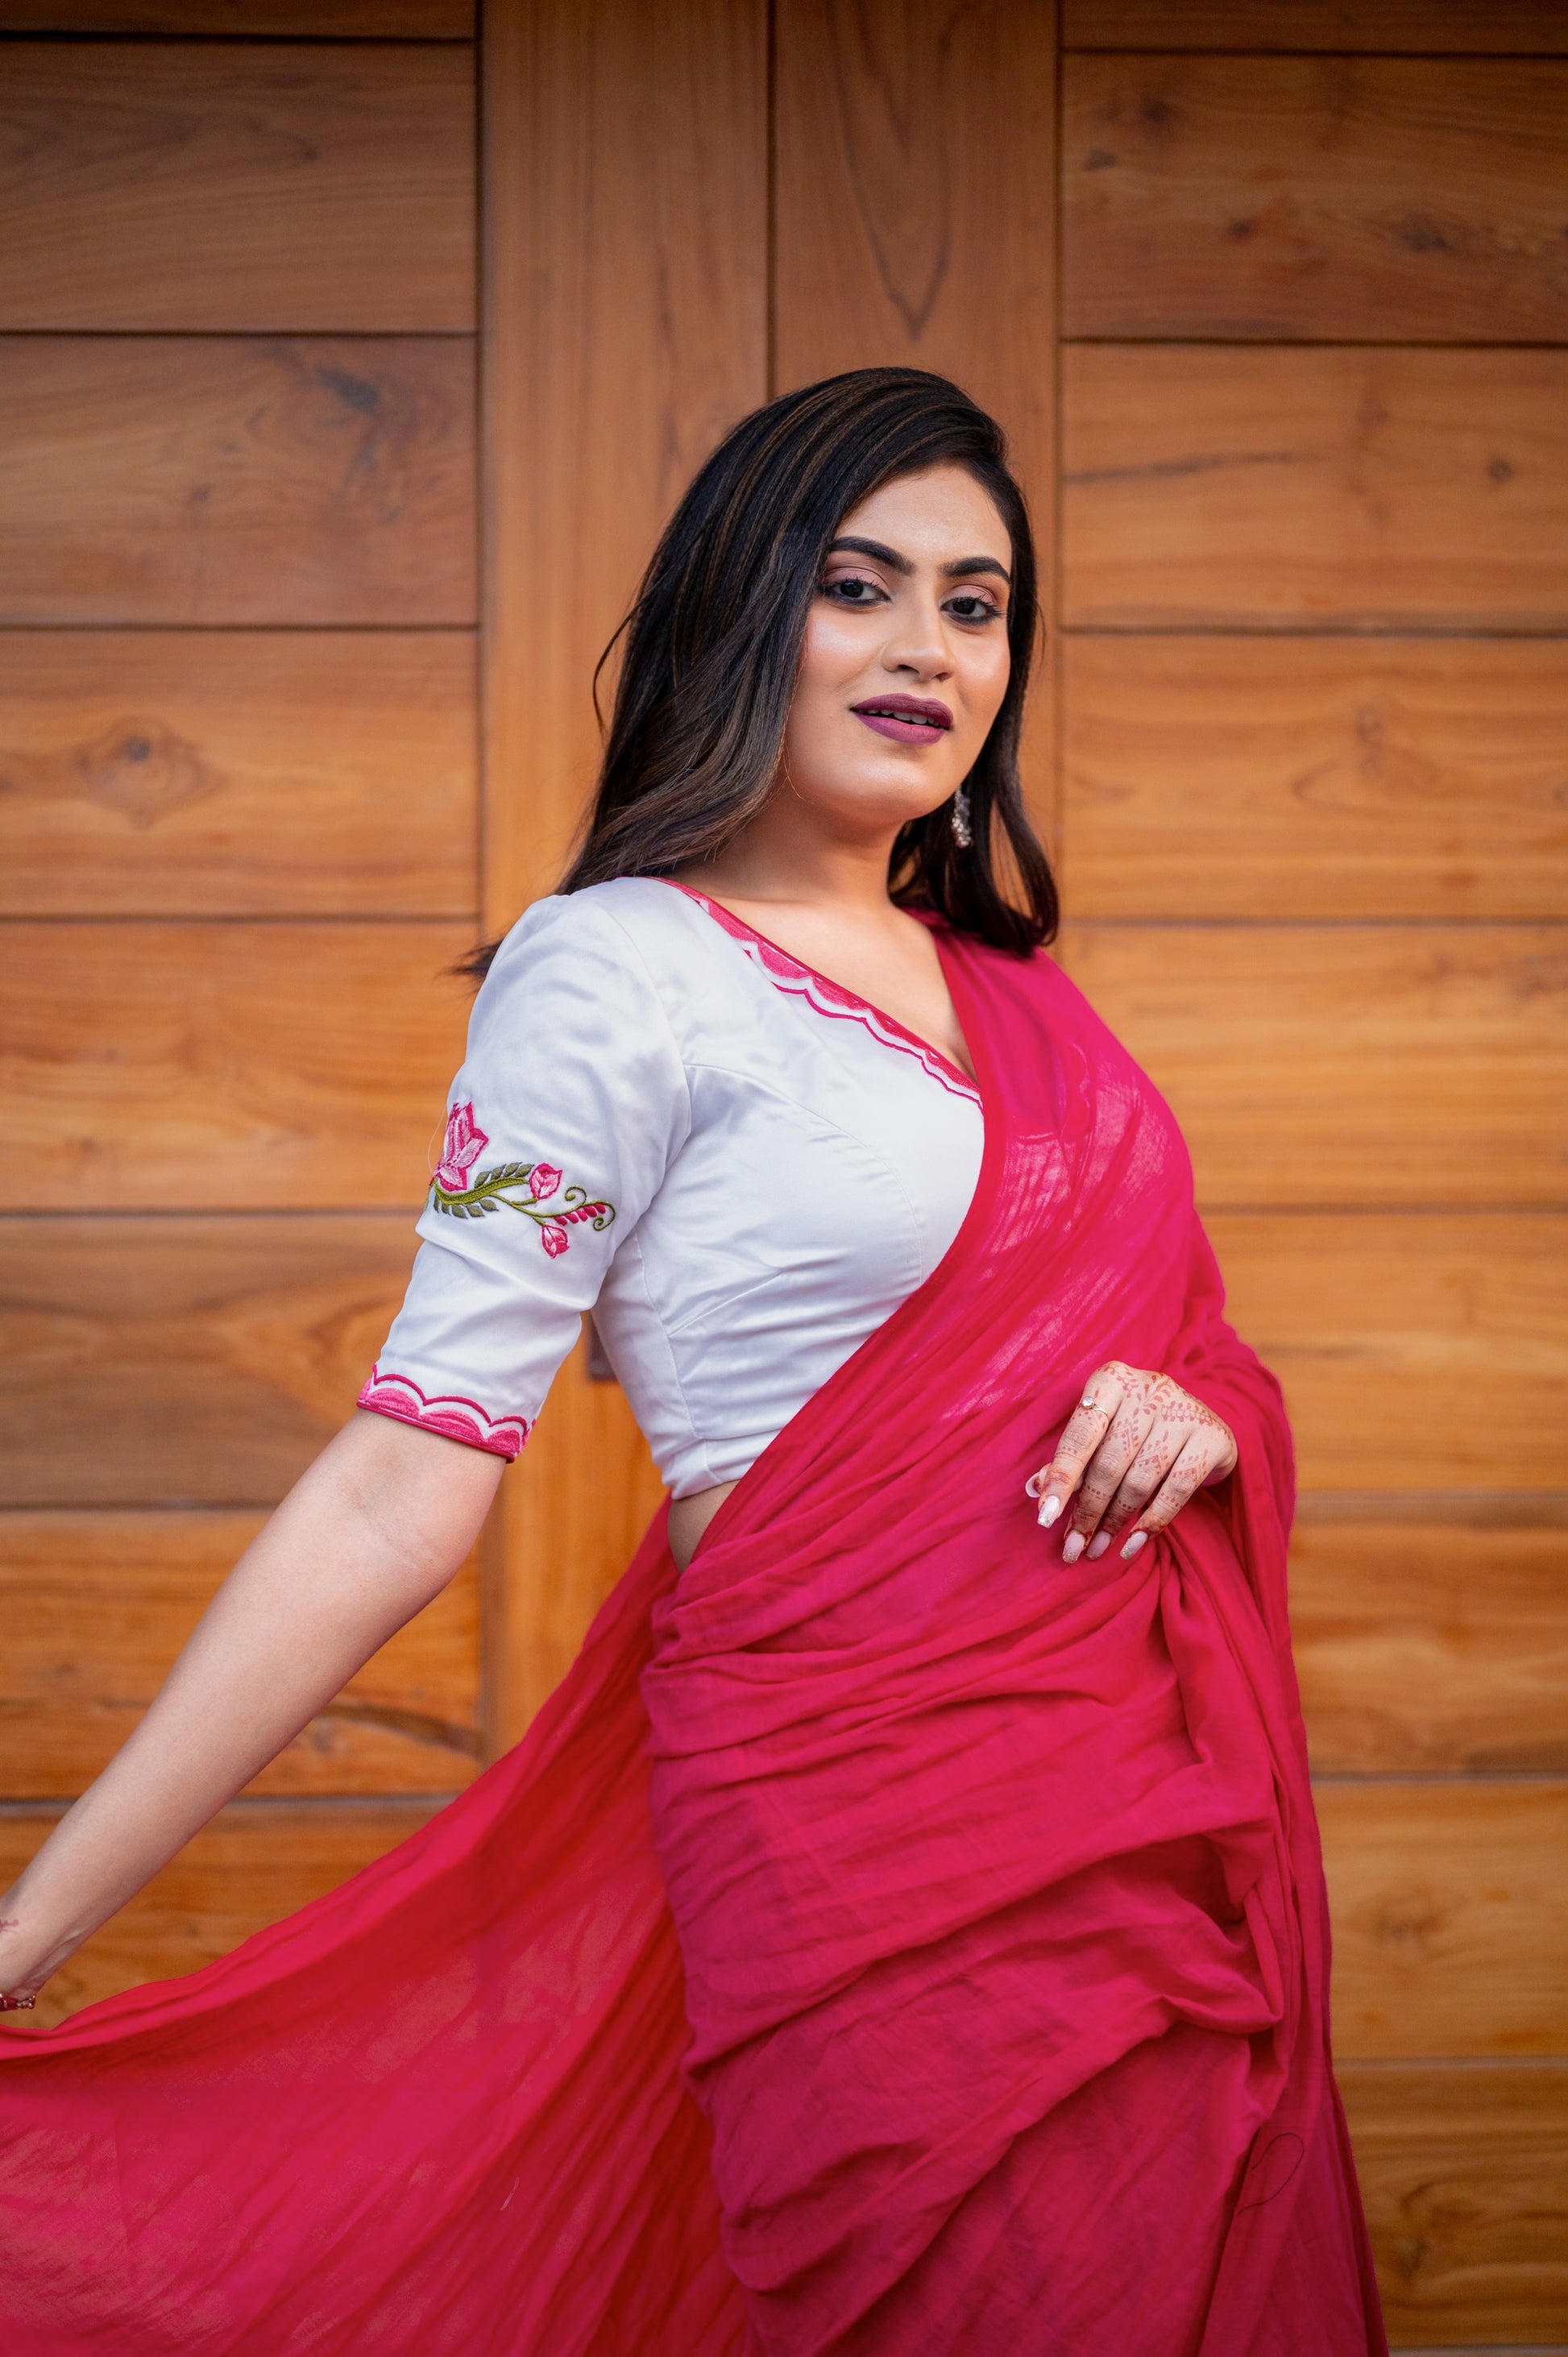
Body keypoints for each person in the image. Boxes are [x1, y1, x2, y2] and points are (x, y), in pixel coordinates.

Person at [0, 370, 1386, 2355]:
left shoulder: (1022, 997)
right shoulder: (614, 971)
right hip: (850, 1812)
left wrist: (1199, 1408)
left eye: (976, 602)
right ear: (747, 608)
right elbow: (407, 1475)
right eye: (860, 584)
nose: (927, 646)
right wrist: (33, 1924)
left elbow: (1189, 1343)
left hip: (1138, 1813)